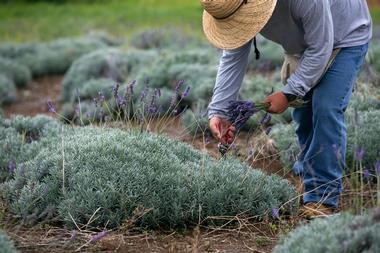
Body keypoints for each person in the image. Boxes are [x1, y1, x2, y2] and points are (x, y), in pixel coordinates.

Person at [200, 0, 372, 218]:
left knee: (325, 108)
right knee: (304, 114)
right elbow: (233, 56)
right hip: (303, 45)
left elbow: (321, 48)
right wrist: (219, 111)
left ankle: (322, 197)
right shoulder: (235, 6)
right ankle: (312, 173)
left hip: (346, 35)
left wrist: (288, 93)